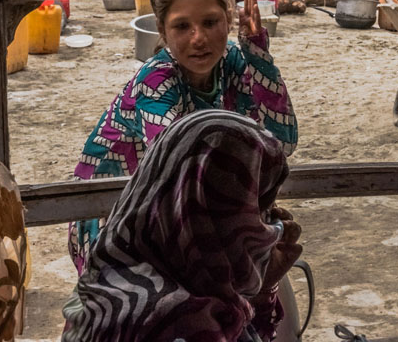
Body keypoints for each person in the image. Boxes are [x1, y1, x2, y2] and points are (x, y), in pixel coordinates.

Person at [68, 0, 297, 273]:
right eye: (182, 26)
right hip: (115, 218)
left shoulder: (234, 61)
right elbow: (182, 174)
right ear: (162, 30)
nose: (198, 38)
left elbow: (283, 141)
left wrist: (257, 52)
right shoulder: (155, 82)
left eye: (210, 22)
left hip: (185, 206)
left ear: (228, 20)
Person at [62, 110, 302, 342]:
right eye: (259, 212)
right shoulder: (180, 323)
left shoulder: (112, 279)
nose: (269, 227)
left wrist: (263, 288)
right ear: (220, 219)